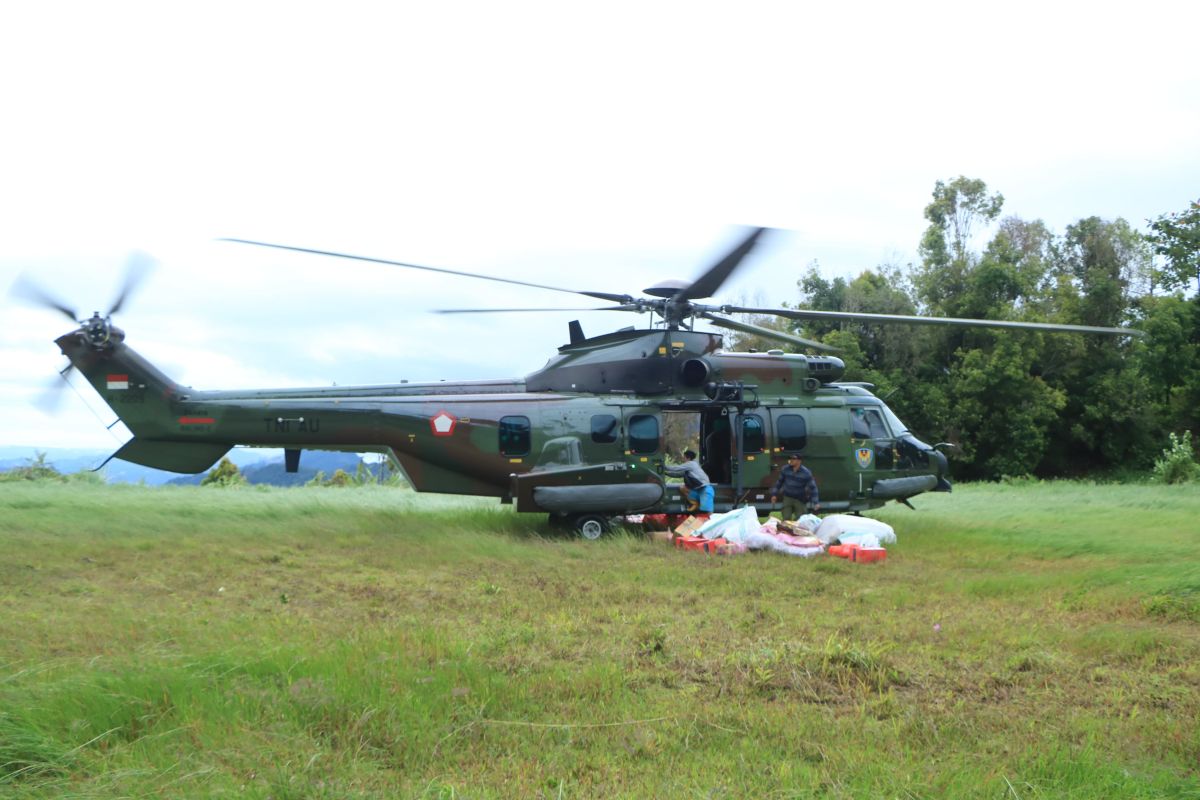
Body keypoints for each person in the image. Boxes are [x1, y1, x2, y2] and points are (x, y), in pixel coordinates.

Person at [771, 453, 820, 521]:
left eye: (793, 459)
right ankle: (787, 530)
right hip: (787, 497)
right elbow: (779, 482)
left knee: (801, 519)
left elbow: (813, 488)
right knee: (786, 518)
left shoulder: (806, 472)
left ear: (799, 461)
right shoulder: (785, 469)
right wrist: (774, 494)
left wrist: (816, 502)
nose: (791, 460)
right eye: (790, 458)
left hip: (800, 498)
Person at [663, 449, 714, 514]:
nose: (683, 459)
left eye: (684, 457)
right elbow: (677, 474)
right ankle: (695, 503)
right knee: (682, 487)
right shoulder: (689, 468)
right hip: (697, 489)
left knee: (707, 511)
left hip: (705, 488)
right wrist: (665, 473)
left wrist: (664, 467)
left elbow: (676, 468)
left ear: (688, 458)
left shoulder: (691, 464)